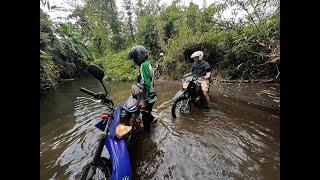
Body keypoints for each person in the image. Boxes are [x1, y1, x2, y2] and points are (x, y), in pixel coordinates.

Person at [128, 45, 157, 133]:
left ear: (138, 57)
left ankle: (147, 133)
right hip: (151, 95)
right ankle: (153, 119)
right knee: (146, 112)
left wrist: (144, 100)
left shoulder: (143, 66)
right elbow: (144, 81)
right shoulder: (147, 63)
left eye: (134, 58)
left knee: (145, 117)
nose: (133, 61)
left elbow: (146, 83)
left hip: (148, 98)